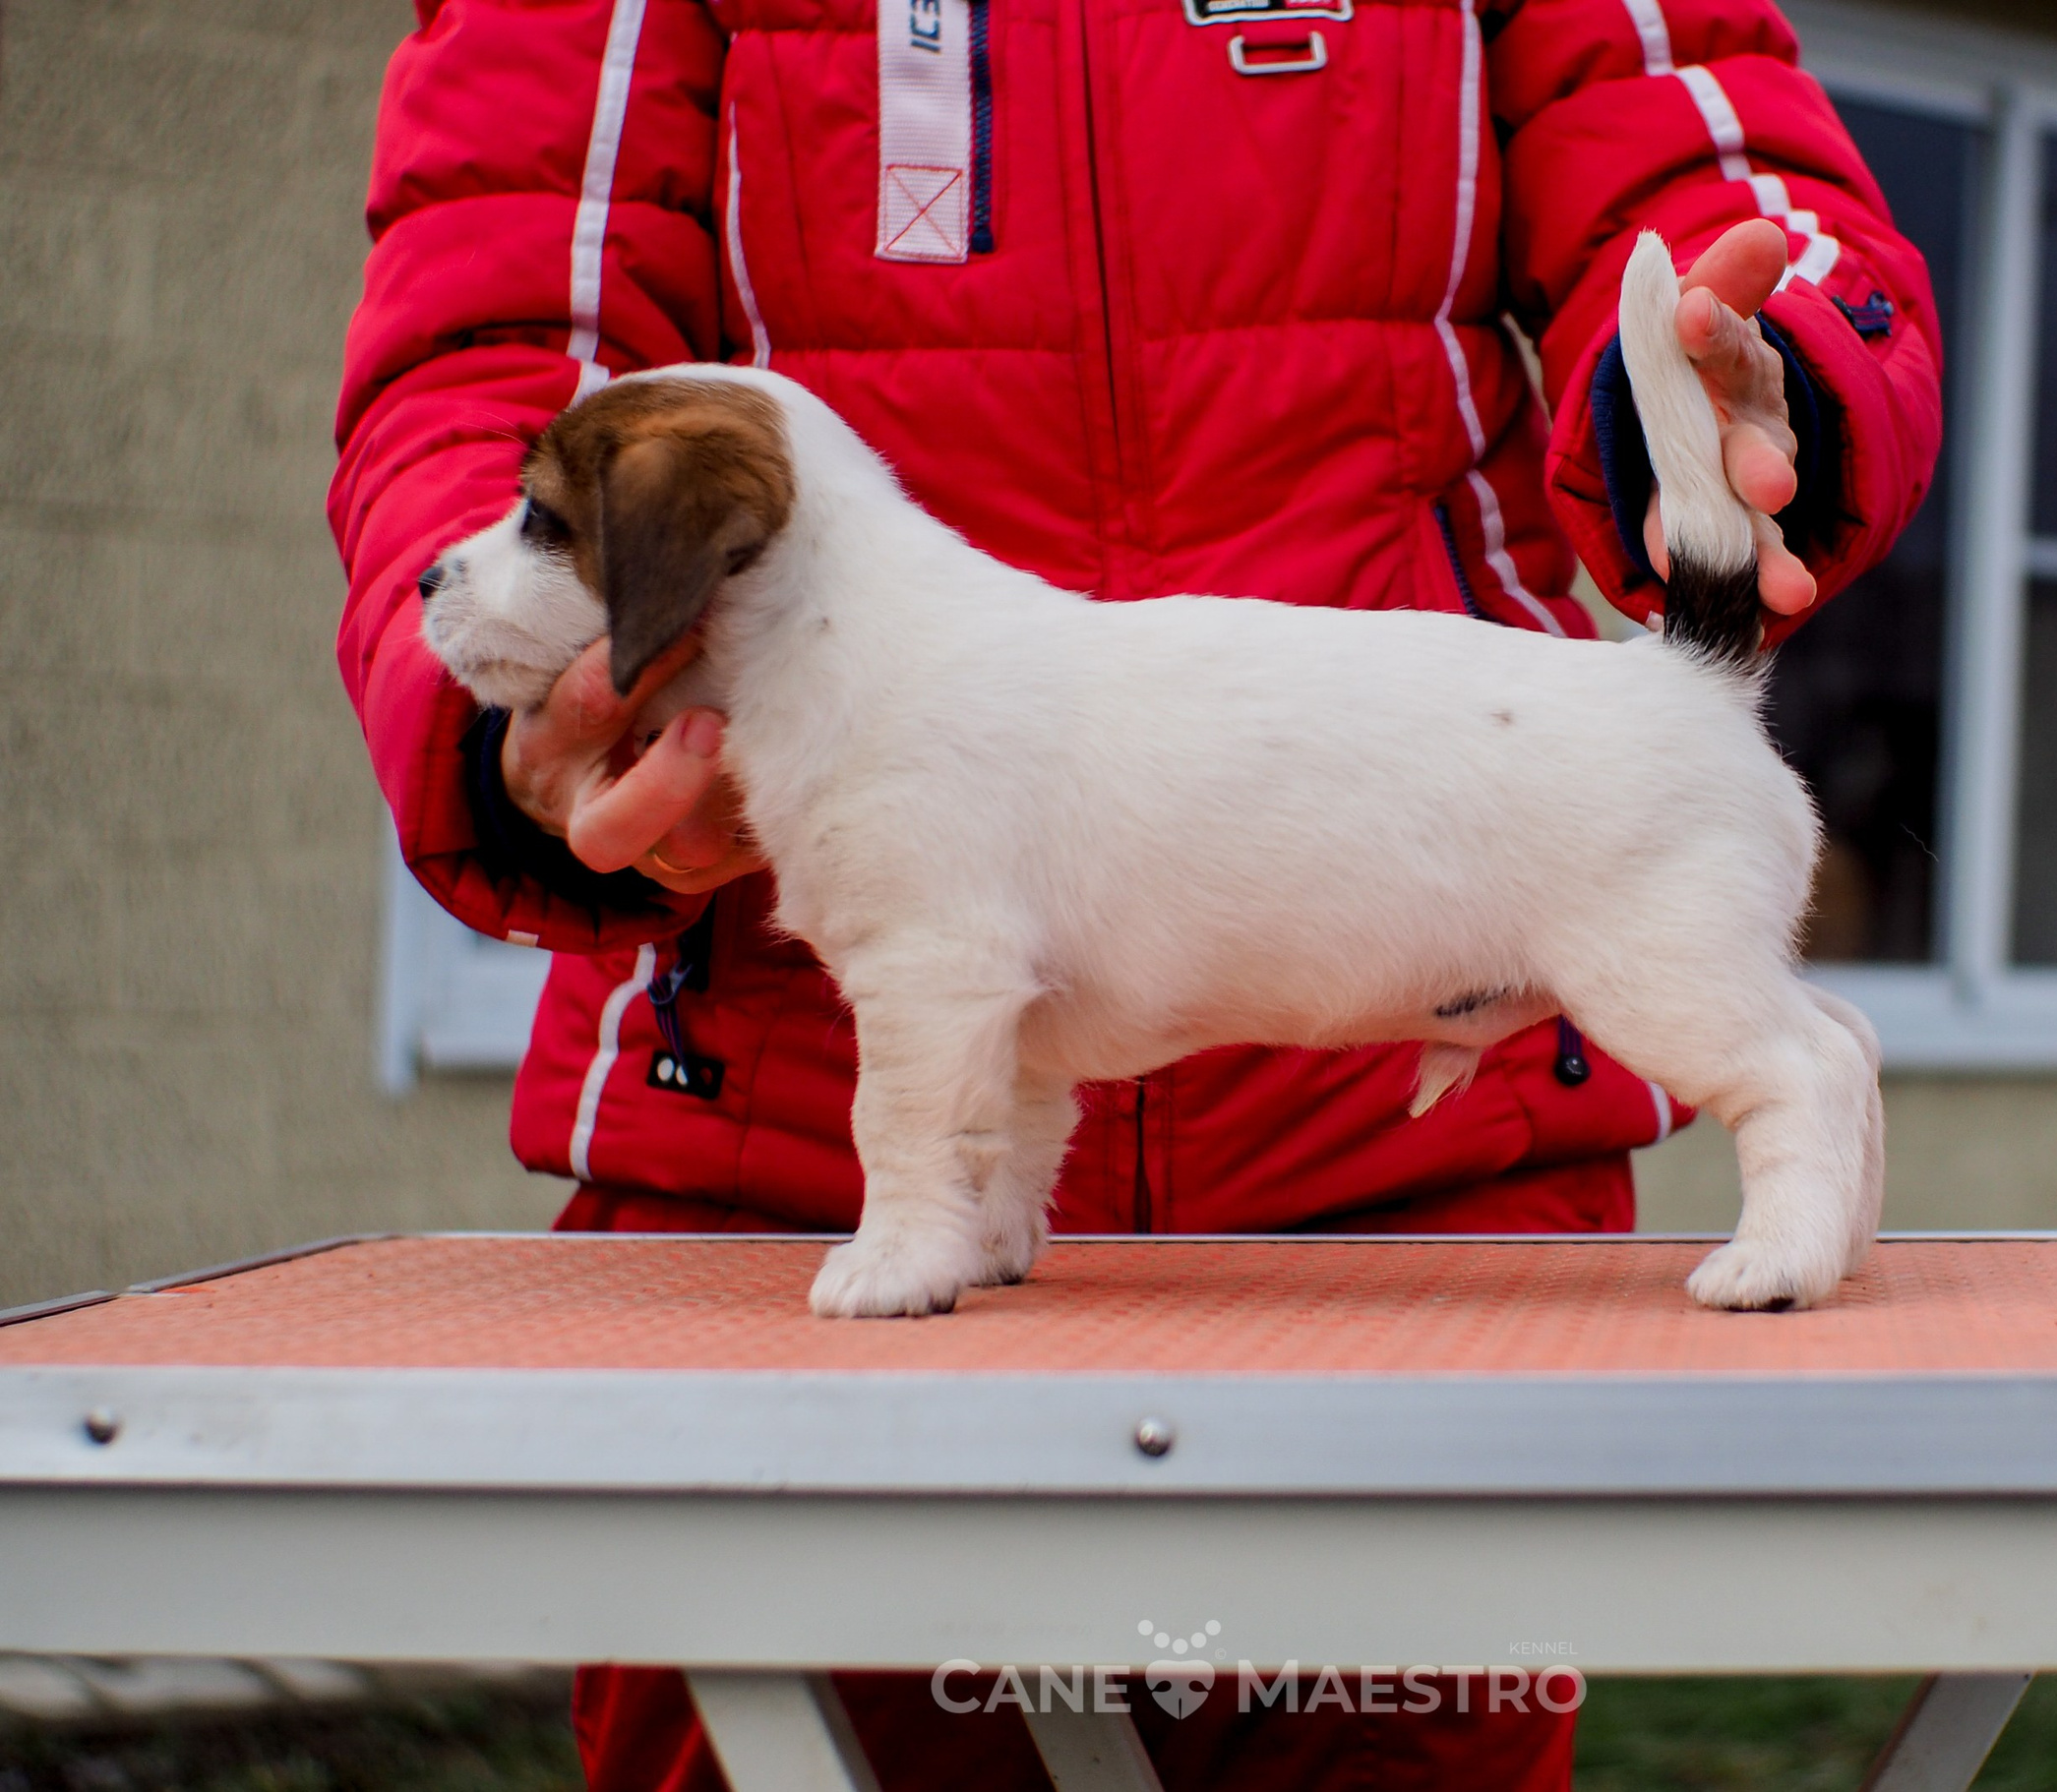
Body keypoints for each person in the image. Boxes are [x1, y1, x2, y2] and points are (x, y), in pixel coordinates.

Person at [332, 0, 1940, 1784]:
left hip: (1426, 1192)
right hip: (739, 1202)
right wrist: (517, 750)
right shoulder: (910, 684)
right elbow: (484, 316)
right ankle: (996, 1212)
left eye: (547, 528)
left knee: (1705, 1020)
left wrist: (1762, 360)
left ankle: (1792, 1138)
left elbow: (1705, 148)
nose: (491, 566)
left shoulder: (915, 720)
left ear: (685, 547)